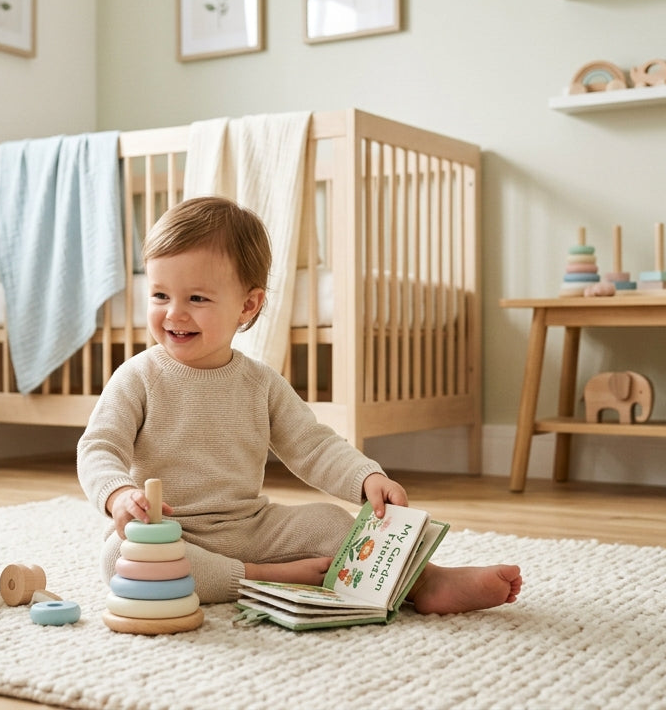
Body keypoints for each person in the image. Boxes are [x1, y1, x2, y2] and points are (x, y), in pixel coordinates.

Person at [77, 197, 521, 613]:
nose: (174, 313)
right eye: (159, 296)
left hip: (250, 526)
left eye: (196, 298)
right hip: (168, 532)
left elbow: (312, 445)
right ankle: (259, 579)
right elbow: (99, 447)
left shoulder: (259, 382)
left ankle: (425, 583)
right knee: (120, 555)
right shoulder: (138, 377)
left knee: (329, 522)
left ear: (248, 305)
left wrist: (365, 476)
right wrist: (119, 494)